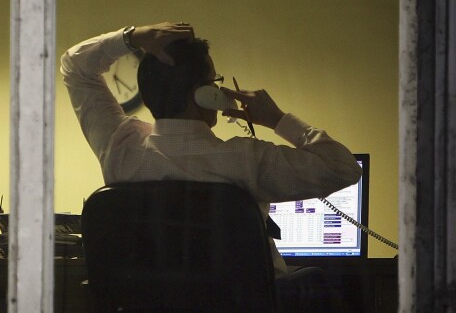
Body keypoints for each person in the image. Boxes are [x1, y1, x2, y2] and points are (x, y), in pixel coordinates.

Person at [60, 22, 362, 277]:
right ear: (204, 94)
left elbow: (75, 66)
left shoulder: (120, 149)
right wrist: (277, 119)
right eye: (214, 82)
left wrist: (134, 36)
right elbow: (343, 168)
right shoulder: (246, 160)